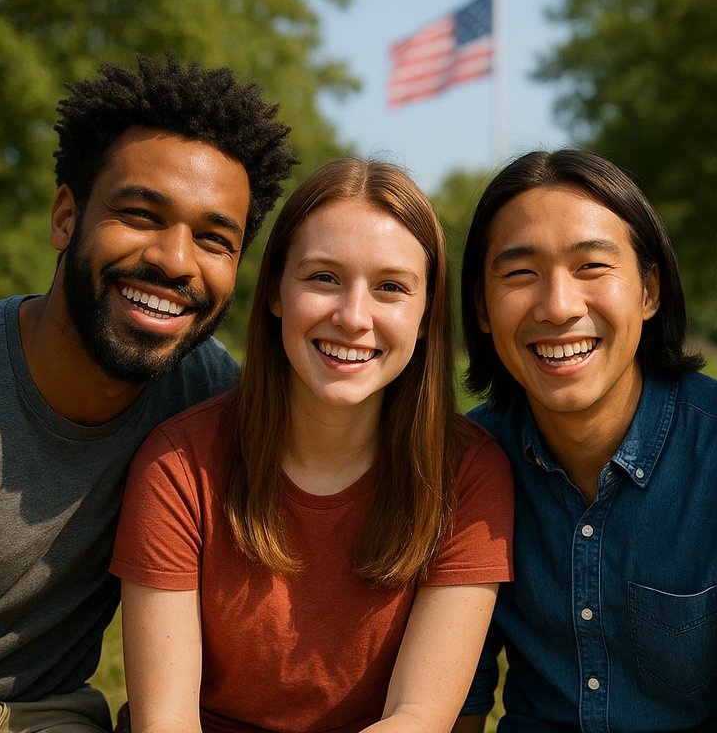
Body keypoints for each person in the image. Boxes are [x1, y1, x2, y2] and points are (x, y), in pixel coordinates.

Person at [0, 53, 296, 733]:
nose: (174, 260)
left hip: (54, 718)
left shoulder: (206, 394)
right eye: (140, 214)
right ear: (65, 216)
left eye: (214, 239)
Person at [453, 149, 717, 733]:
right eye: (519, 273)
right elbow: (455, 705)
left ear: (648, 291)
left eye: (591, 267)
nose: (559, 305)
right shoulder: (467, 467)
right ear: (483, 309)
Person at [110, 158, 514, 733]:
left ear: (425, 316)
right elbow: (166, 722)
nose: (353, 317)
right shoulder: (177, 465)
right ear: (275, 290)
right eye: (323, 277)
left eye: (390, 288)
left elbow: (418, 717)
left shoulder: (468, 473)